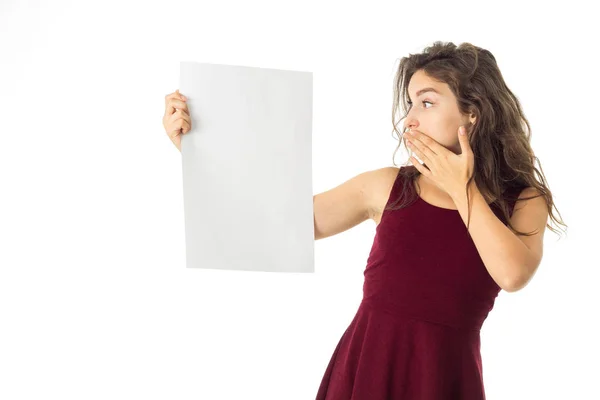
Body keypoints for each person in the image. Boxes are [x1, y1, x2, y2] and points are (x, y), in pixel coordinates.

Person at [162, 41, 567, 399]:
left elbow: (513, 275)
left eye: (427, 102)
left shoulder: (524, 199)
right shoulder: (387, 187)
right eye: (410, 103)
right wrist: (199, 150)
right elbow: (279, 220)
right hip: (365, 372)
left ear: (473, 113)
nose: (410, 118)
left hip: (445, 379)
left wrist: (462, 189)